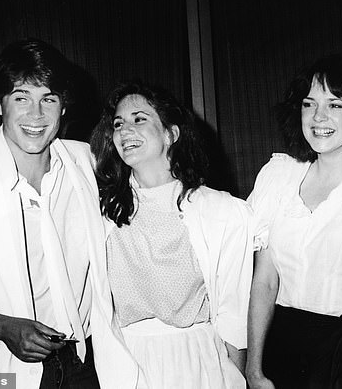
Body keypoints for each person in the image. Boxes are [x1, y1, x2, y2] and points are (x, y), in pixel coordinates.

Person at [0, 39, 103, 388]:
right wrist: (3, 327)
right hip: (0, 367)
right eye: (21, 97)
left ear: (63, 106)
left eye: (48, 99)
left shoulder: (86, 163)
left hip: (84, 363)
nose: (36, 116)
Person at [88, 80, 253, 388]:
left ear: (170, 133)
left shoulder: (222, 212)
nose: (124, 131)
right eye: (118, 124)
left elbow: (234, 314)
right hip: (125, 359)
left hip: (197, 359)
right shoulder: (100, 213)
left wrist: (236, 378)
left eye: (139, 119)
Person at [245, 54, 342, 389]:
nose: (318, 116)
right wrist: (254, 369)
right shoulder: (278, 176)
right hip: (280, 344)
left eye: (335, 105)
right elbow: (264, 282)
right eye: (309, 104)